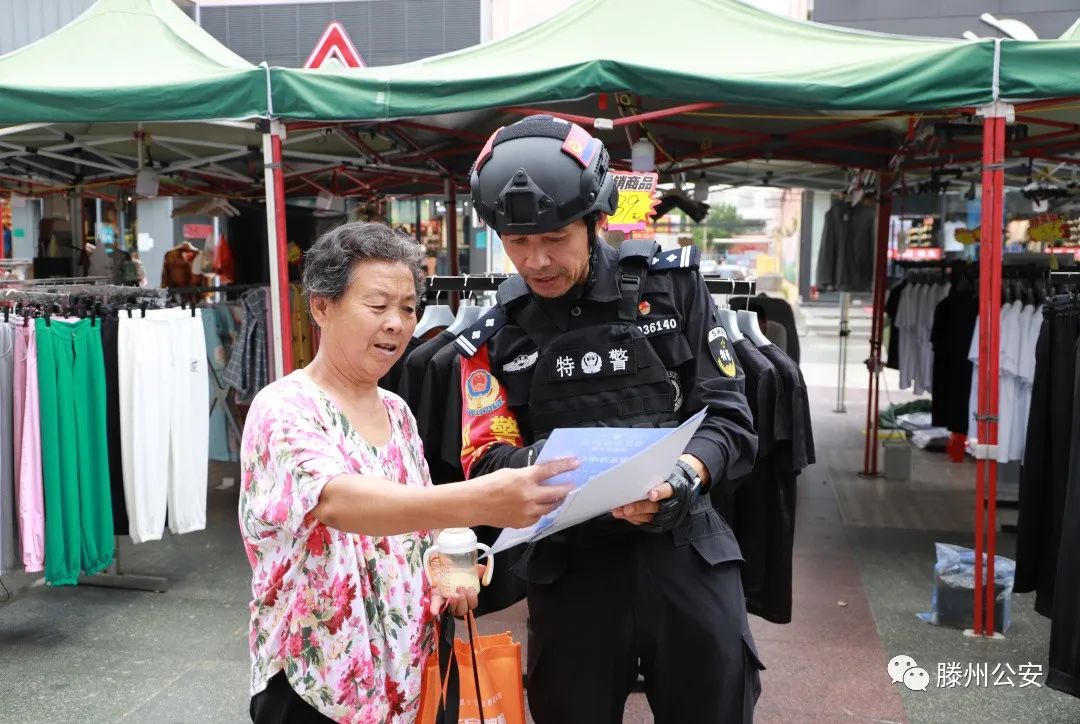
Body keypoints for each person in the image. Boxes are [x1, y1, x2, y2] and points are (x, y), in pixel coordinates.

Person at [448, 115, 764, 723]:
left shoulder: (672, 291)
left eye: (555, 238)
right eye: (517, 243)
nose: (536, 261)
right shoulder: (496, 335)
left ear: (596, 221)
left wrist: (683, 478)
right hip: (572, 574)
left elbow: (731, 421)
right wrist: (558, 470)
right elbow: (482, 454)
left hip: (684, 553)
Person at [239, 221, 577, 724]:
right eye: (377, 306)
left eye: (407, 308)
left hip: (412, 674)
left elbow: (427, 528)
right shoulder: (284, 407)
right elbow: (336, 501)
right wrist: (481, 498)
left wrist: (455, 573)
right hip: (317, 685)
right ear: (321, 307)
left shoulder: (396, 409)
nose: (397, 324)